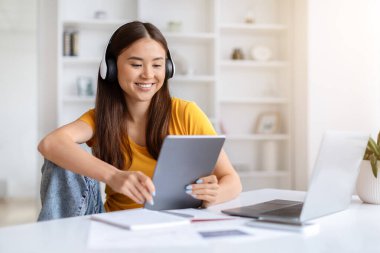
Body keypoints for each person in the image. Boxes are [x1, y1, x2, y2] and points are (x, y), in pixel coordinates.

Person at [37, 21, 242, 221]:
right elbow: (50, 143)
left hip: (175, 222)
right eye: (136, 64)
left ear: (168, 69)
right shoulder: (100, 118)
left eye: (157, 65)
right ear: (111, 67)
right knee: (60, 159)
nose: (148, 74)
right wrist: (114, 176)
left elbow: (232, 181)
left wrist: (213, 195)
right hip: (114, 223)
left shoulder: (186, 113)